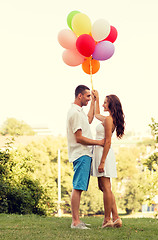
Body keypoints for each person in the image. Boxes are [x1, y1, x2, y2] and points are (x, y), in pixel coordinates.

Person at [66, 85, 104, 230]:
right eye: (88, 96)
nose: (89, 99)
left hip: (85, 154)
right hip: (81, 153)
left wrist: (94, 101)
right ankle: (75, 222)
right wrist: (98, 142)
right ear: (79, 96)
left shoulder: (79, 112)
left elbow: (89, 119)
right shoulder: (74, 113)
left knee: (79, 187)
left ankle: (77, 220)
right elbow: (79, 138)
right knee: (78, 187)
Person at [91, 90, 125, 228]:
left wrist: (102, 161)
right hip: (101, 152)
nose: (104, 104)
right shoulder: (108, 118)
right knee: (104, 187)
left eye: (105, 102)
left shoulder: (109, 120)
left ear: (111, 105)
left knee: (105, 187)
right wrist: (97, 100)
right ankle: (116, 217)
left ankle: (107, 219)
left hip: (103, 153)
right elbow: (95, 114)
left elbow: (108, 141)